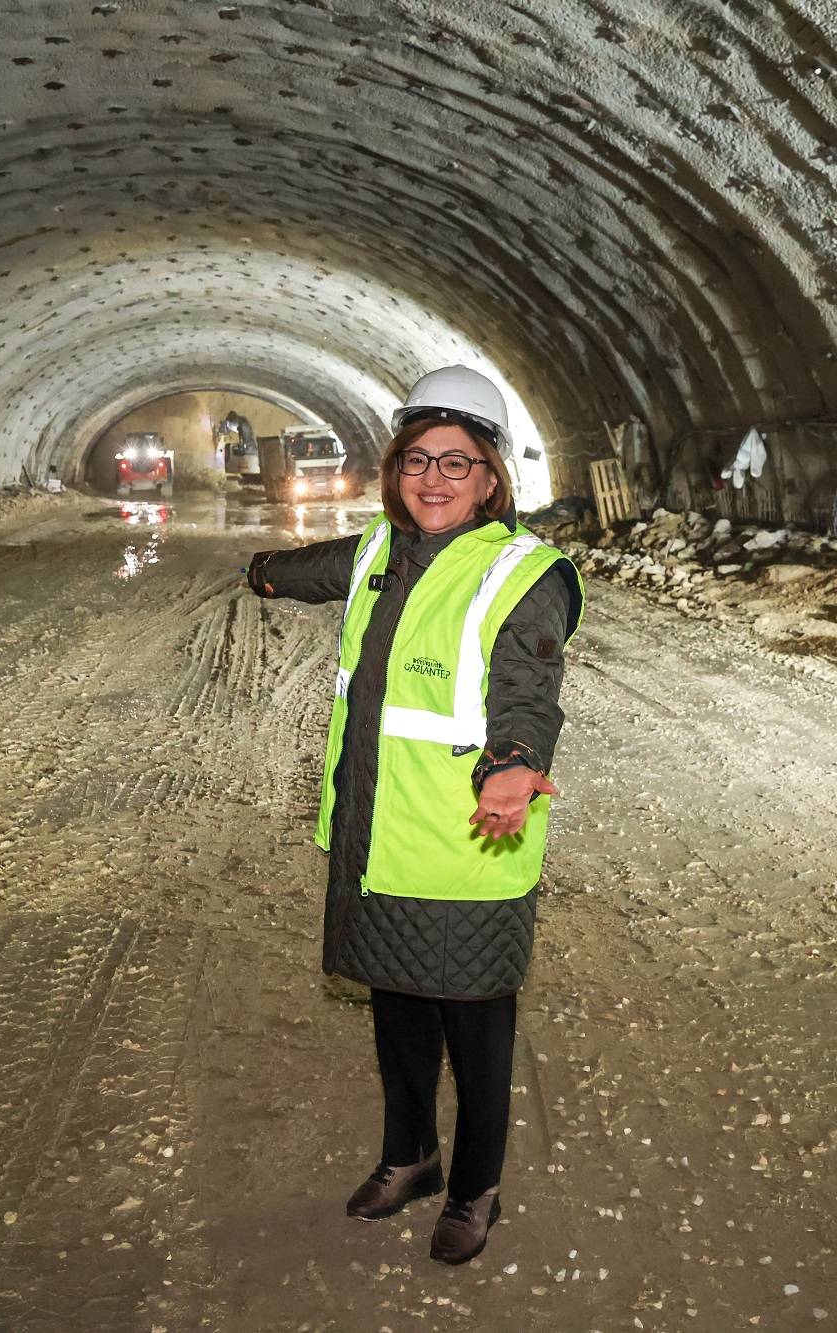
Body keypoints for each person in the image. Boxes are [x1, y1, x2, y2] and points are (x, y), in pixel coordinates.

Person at [244, 366, 583, 1266]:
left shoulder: (524, 573)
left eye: (456, 462)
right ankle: (411, 1157)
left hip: (466, 843)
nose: (434, 479)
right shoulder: (378, 553)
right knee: (396, 1013)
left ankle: (475, 1189)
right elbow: (314, 568)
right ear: (395, 468)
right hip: (380, 836)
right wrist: (263, 573)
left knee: (476, 1031)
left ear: (491, 477)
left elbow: (529, 685)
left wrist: (514, 763)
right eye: (417, 460)